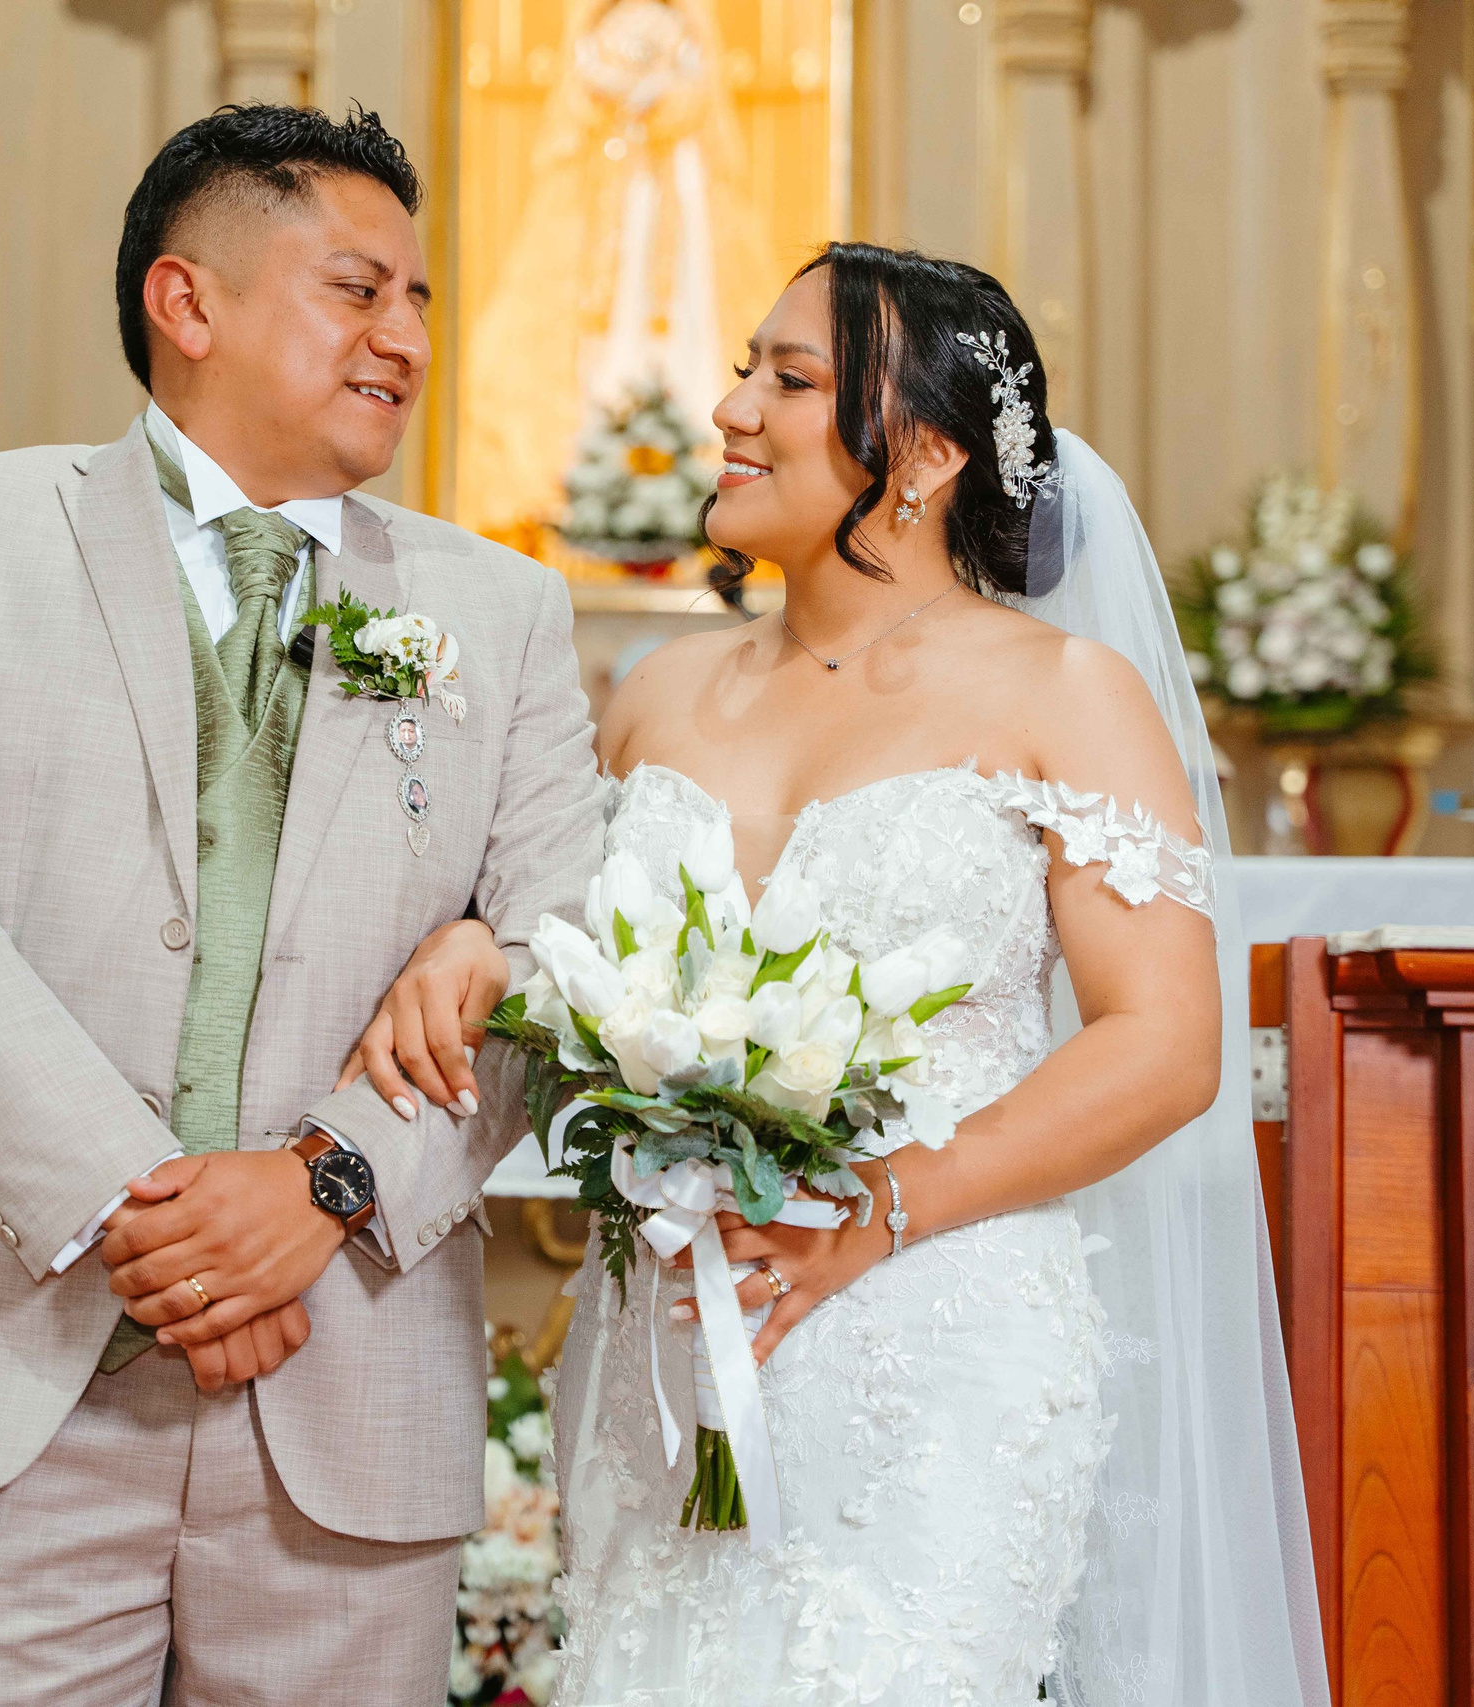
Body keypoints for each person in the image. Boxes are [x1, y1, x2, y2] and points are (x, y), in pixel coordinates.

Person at [347, 244, 1328, 1706]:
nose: (732, 406)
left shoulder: (1063, 693)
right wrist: (468, 941)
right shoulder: (656, 696)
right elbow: (542, 936)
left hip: (932, 1330)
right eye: (746, 367)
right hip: (668, 1337)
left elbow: (1166, 1043)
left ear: (927, 452)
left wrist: (879, 1211)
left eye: (790, 379)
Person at [0, 104, 604, 1705]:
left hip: (340, 1368)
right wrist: (155, 1215)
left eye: (422, 302)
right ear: (190, 302)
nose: (405, 339)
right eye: (360, 290)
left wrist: (320, 1190)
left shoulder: (493, 613)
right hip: (13, 1353)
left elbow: (565, 964)